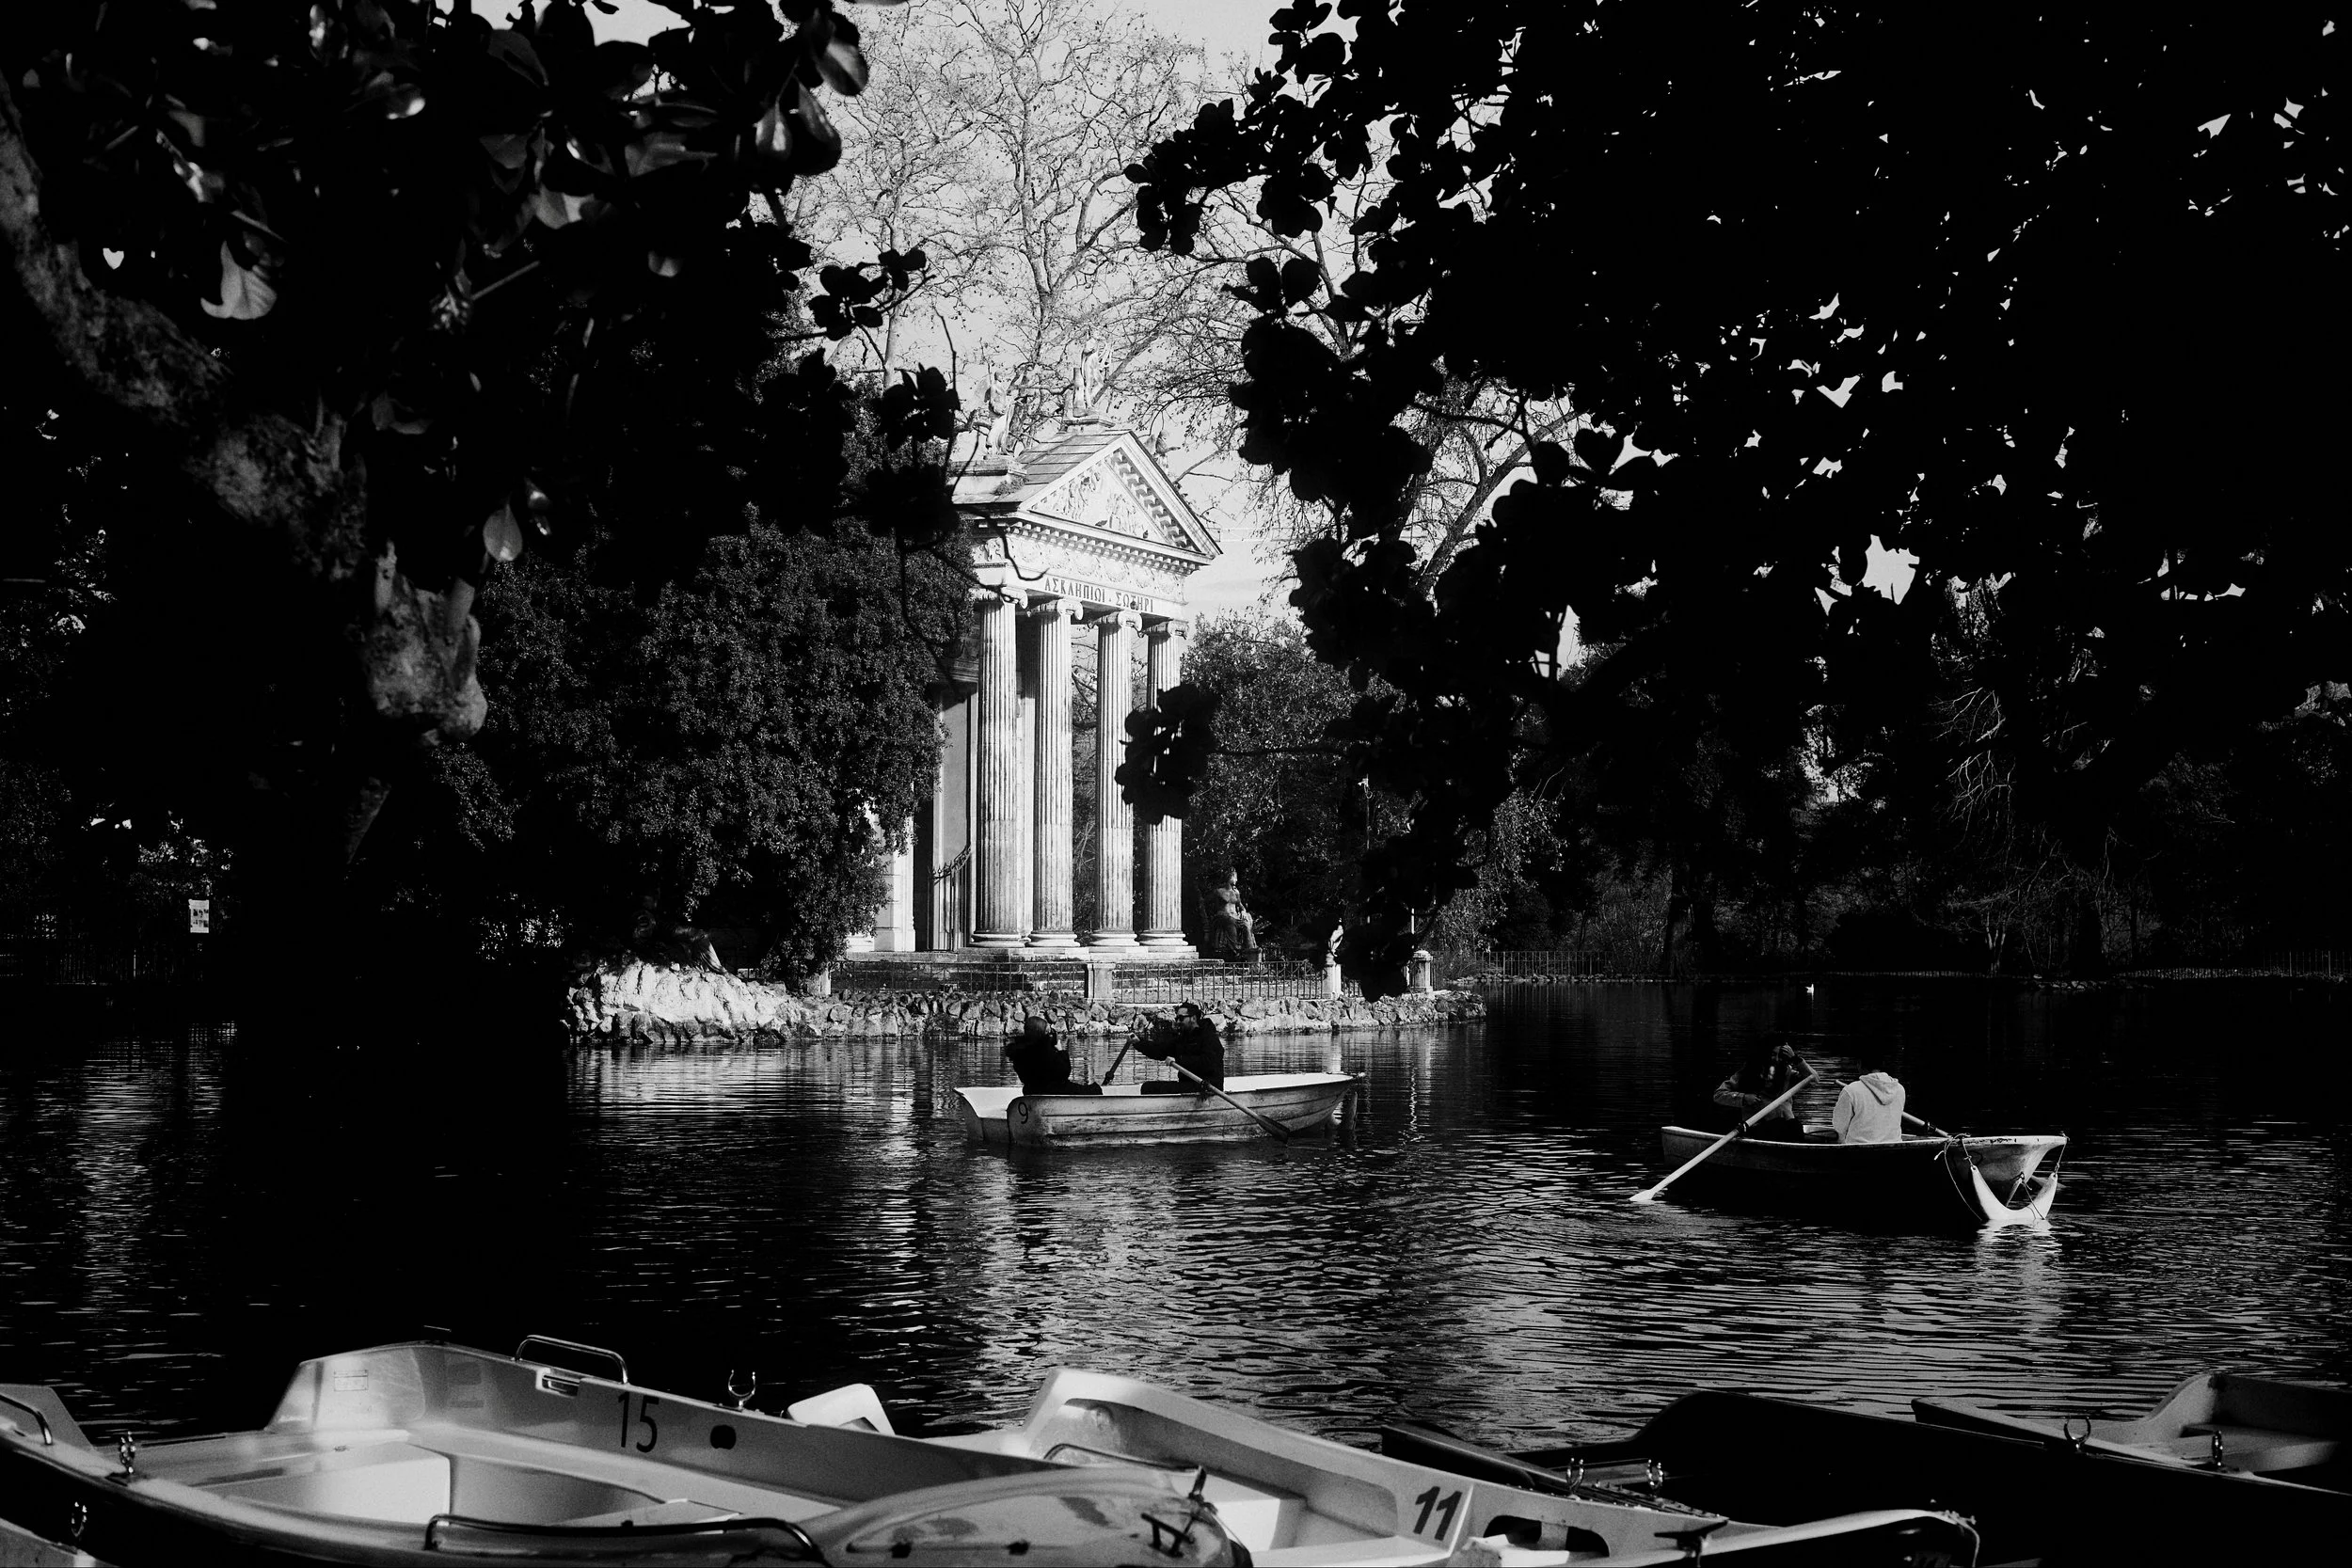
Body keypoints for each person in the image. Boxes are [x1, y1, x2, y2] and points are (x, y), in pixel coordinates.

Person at [1713, 1035, 1809, 1140]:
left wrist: (1796, 1059)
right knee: (1780, 1126)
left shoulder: (1786, 1073)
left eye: (1780, 1055)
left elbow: (1812, 1080)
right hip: (1758, 1128)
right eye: (1773, 1054)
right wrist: (1744, 1097)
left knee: (1793, 1126)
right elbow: (1719, 1095)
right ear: (1764, 1054)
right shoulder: (1748, 1073)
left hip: (1786, 1126)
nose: (1776, 1059)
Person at [1137, 1001, 1225, 1094]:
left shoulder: (1209, 1036)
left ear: (1193, 1018)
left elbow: (1209, 1062)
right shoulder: (1182, 1038)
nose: (1178, 1021)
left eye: (1181, 1018)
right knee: (1148, 1087)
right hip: (1188, 1084)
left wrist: (1179, 1060)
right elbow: (1159, 1050)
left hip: (1208, 1086)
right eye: (1177, 1018)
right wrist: (1138, 1042)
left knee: (1150, 1089)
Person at [1003, 1017, 1101, 1096]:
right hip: (1056, 1090)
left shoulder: (1019, 1052)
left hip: (1031, 1091)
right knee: (1095, 1090)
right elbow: (1064, 1073)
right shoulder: (1044, 1050)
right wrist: (1061, 1051)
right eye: (1047, 1032)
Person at [1833, 1049, 1907, 1144]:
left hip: (1857, 1149)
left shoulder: (1851, 1090)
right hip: (1894, 1149)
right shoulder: (1900, 1089)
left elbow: (1839, 1126)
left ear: (1859, 1064)